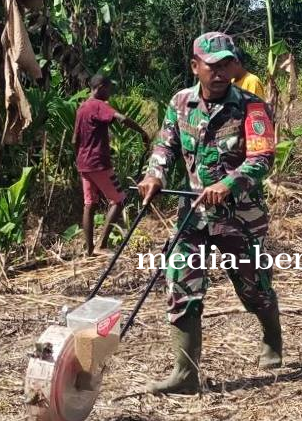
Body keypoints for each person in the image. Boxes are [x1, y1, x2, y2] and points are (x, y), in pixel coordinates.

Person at [137, 32, 282, 394]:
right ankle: (185, 376)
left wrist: (229, 184)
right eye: (211, 65)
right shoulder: (180, 102)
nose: (219, 73)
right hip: (192, 216)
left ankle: (272, 337)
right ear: (194, 66)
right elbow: (165, 144)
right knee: (181, 284)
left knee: (253, 288)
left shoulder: (252, 107)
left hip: (240, 217)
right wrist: (154, 174)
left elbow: (262, 158)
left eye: (225, 64)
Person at [73, 74, 150, 257]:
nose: (110, 92)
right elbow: (121, 118)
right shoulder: (98, 105)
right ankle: (102, 245)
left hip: (84, 164)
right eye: (108, 88)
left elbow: (74, 139)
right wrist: (143, 132)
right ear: (100, 87)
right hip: (99, 163)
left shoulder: (82, 108)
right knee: (119, 200)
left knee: (89, 204)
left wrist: (80, 159)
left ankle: (89, 249)